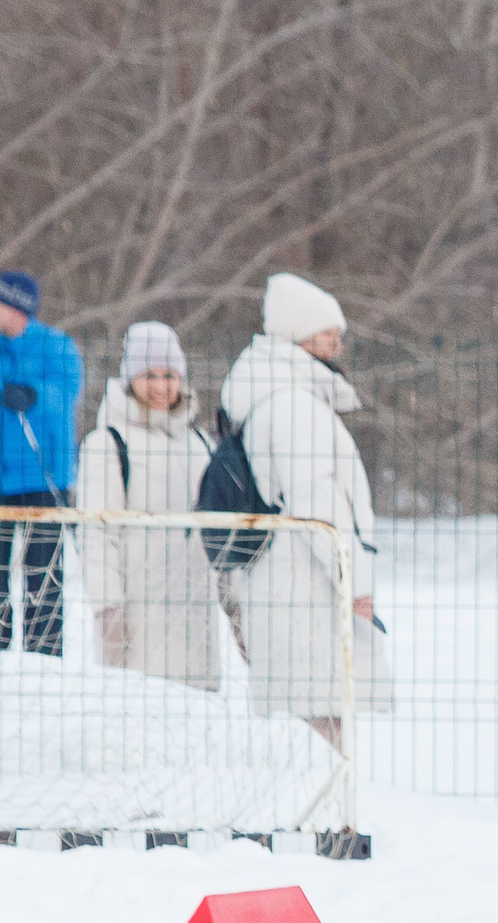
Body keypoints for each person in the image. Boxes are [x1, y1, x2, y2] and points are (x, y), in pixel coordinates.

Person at [220, 272, 390, 745]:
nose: (336, 346)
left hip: (288, 581)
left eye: (337, 335)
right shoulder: (295, 406)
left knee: (308, 722)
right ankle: (328, 821)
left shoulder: (280, 398)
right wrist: (353, 582)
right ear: (294, 337)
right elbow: (318, 505)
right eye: (324, 335)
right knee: (320, 721)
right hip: (304, 588)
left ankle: (322, 819)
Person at [77, 322, 229, 690]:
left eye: (170, 375)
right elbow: (96, 537)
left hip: (197, 627)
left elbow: (219, 535)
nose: (161, 387)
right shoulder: (108, 444)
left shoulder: (202, 444)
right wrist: (108, 611)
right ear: (130, 379)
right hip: (138, 625)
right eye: (149, 375)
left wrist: (234, 601)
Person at [0, 270, 84, 658]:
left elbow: (66, 396)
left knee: (44, 574)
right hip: (2, 477)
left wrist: (33, 394)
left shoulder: (56, 346)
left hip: (42, 476)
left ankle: (45, 653)